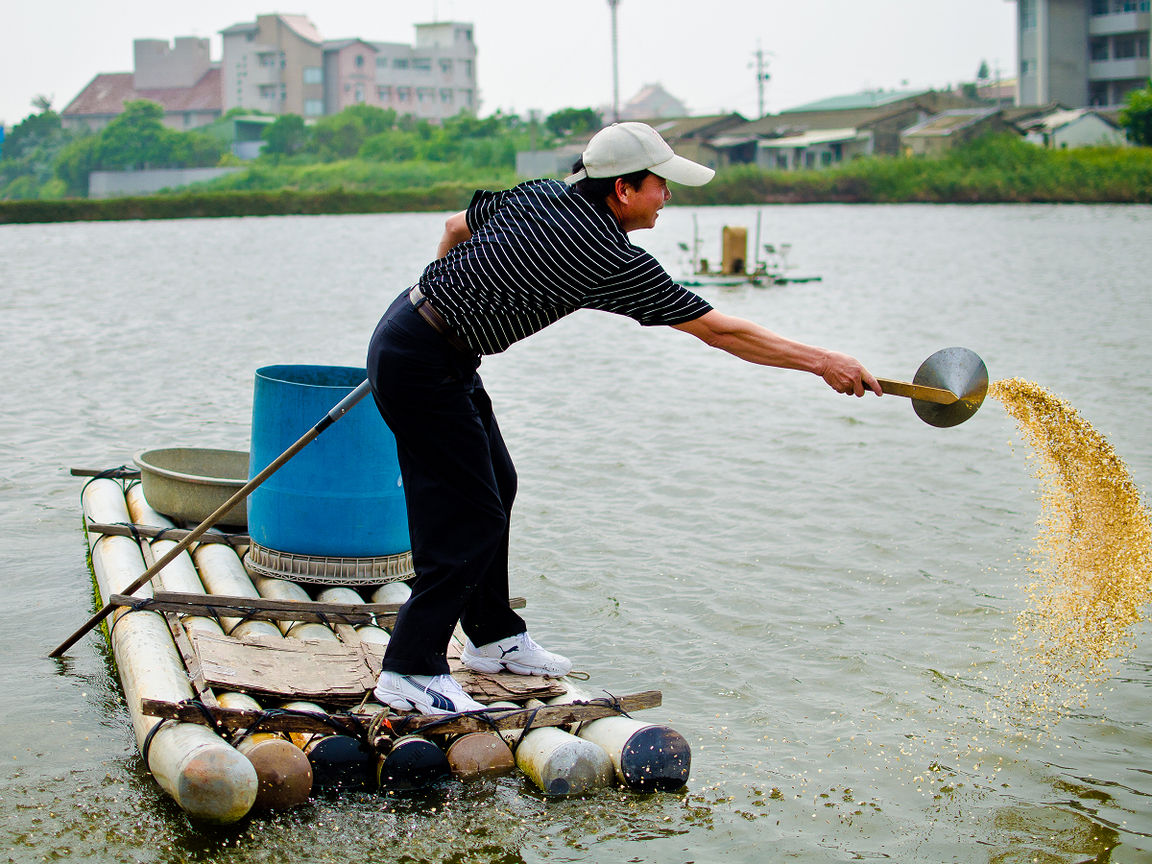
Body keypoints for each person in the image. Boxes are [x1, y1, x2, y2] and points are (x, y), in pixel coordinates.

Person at [368, 122, 880, 715]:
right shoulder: (603, 254)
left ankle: (494, 638)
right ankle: (410, 667)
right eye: (660, 184)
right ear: (623, 190)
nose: (668, 196)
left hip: (427, 340)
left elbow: (455, 228)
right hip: (421, 359)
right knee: (472, 514)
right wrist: (823, 361)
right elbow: (720, 332)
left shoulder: (542, 194)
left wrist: (440, 300)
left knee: (498, 486)